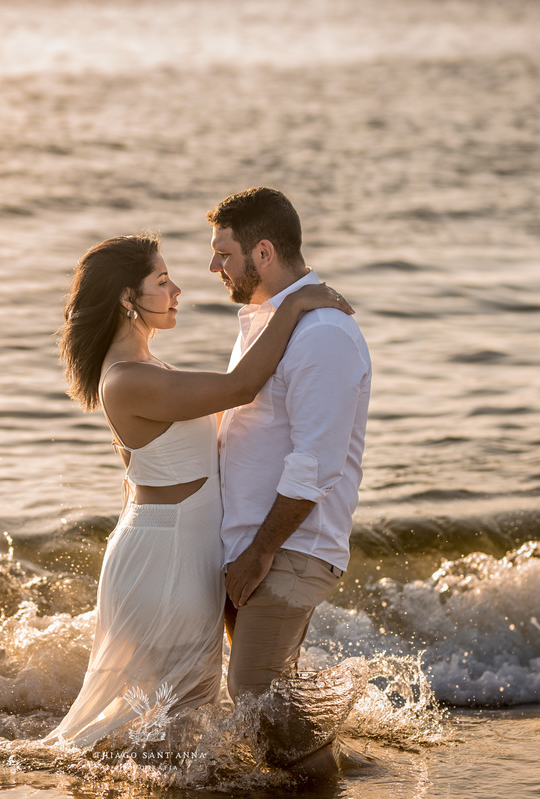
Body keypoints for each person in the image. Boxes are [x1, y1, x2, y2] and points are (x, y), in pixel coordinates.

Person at [48, 233, 352, 749]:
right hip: (165, 556)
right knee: (168, 717)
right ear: (127, 298)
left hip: (182, 549)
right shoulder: (125, 379)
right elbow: (240, 387)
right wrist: (295, 304)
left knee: (181, 718)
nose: (177, 291)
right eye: (162, 281)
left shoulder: (149, 368)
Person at [208, 188, 371, 772]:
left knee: (255, 690)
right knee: (271, 697)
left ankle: (326, 782)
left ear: (264, 252)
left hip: (287, 548)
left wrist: (259, 552)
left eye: (224, 253)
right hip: (254, 543)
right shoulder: (268, 322)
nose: (214, 266)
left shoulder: (323, 332)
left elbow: (316, 464)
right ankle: (337, 771)